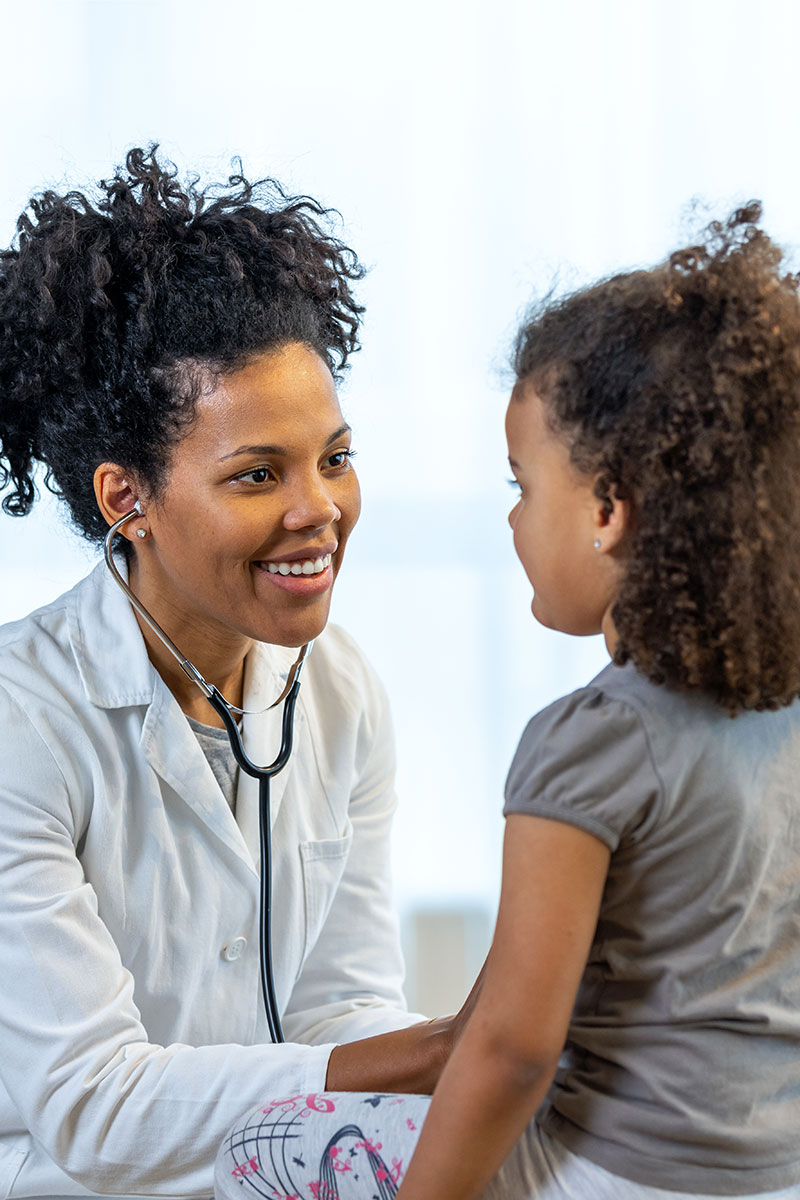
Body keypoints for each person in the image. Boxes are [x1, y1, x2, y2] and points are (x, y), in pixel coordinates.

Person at [217, 204, 800, 1200]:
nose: (510, 516)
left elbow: (510, 1048)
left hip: (611, 1173)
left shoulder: (585, 746)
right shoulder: (778, 711)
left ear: (608, 511)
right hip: (764, 1171)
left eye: (522, 485)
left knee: (255, 1147)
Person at [0, 148, 466, 1200]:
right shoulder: (19, 723)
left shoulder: (338, 689)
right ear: (126, 498)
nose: (320, 512)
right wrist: (447, 1051)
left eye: (333, 458)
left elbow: (339, 1013)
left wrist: (477, 1065)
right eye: (258, 474)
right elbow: (90, 1104)